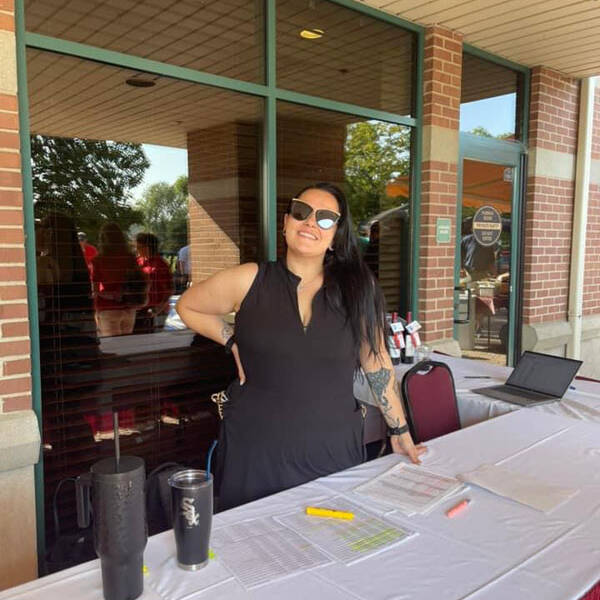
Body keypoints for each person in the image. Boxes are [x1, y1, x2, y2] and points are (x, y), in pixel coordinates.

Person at [177, 182, 426, 511]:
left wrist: (400, 429)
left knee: (332, 544)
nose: (310, 222)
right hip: (255, 453)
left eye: (325, 218)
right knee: (254, 550)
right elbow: (188, 306)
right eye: (301, 212)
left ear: (337, 234)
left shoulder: (358, 288)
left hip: (332, 451)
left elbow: (376, 362)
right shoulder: (249, 280)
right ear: (285, 223)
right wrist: (231, 339)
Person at [91, 222, 146, 337]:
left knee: (112, 347)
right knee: (126, 346)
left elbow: (95, 290)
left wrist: (112, 296)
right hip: (129, 307)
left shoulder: (99, 260)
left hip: (108, 308)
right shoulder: (130, 258)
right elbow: (140, 280)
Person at [134, 232, 174, 333]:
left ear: (148, 247)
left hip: (156, 309)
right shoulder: (137, 262)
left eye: (139, 247)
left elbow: (169, 288)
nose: (137, 249)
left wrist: (158, 308)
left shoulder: (160, 264)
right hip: (140, 309)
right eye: (136, 247)